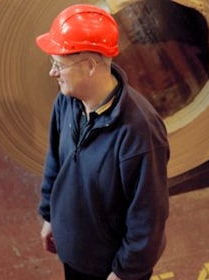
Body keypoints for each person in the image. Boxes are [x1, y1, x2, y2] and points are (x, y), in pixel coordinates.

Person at [35, 4, 171, 280]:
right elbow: (55, 162)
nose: (52, 73)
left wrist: (124, 272)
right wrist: (49, 215)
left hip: (109, 267)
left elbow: (148, 217)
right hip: (74, 252)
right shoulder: (67, 102)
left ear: (89, 66)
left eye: (59, 65)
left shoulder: (139, 133)